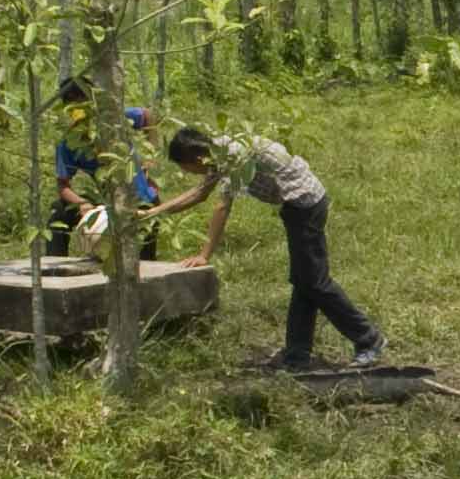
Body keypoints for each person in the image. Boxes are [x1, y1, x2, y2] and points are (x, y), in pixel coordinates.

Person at [157, 123, 384, 369]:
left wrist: (204, 255)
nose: (188, 172)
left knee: (315, 283)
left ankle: (369, 339)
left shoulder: (231, 156)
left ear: (195, 158)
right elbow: (199, 194)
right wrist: (152, 213)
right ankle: (297, 356)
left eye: (185, 167)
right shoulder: (217, 152)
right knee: (304, 283)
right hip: (296, 207)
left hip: (305, 204)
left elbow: (221, 206)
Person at [45, 82, 158, 255]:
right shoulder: (68, 143)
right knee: (58, 211)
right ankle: (53, 269)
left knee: (144, 251)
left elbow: (147, 115)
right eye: (72, 104)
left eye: (82, 102)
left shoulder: (116, 121)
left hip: (138, 198)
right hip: (103, 200)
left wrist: (150, 157)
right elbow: (63, 185)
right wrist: (81, 203)